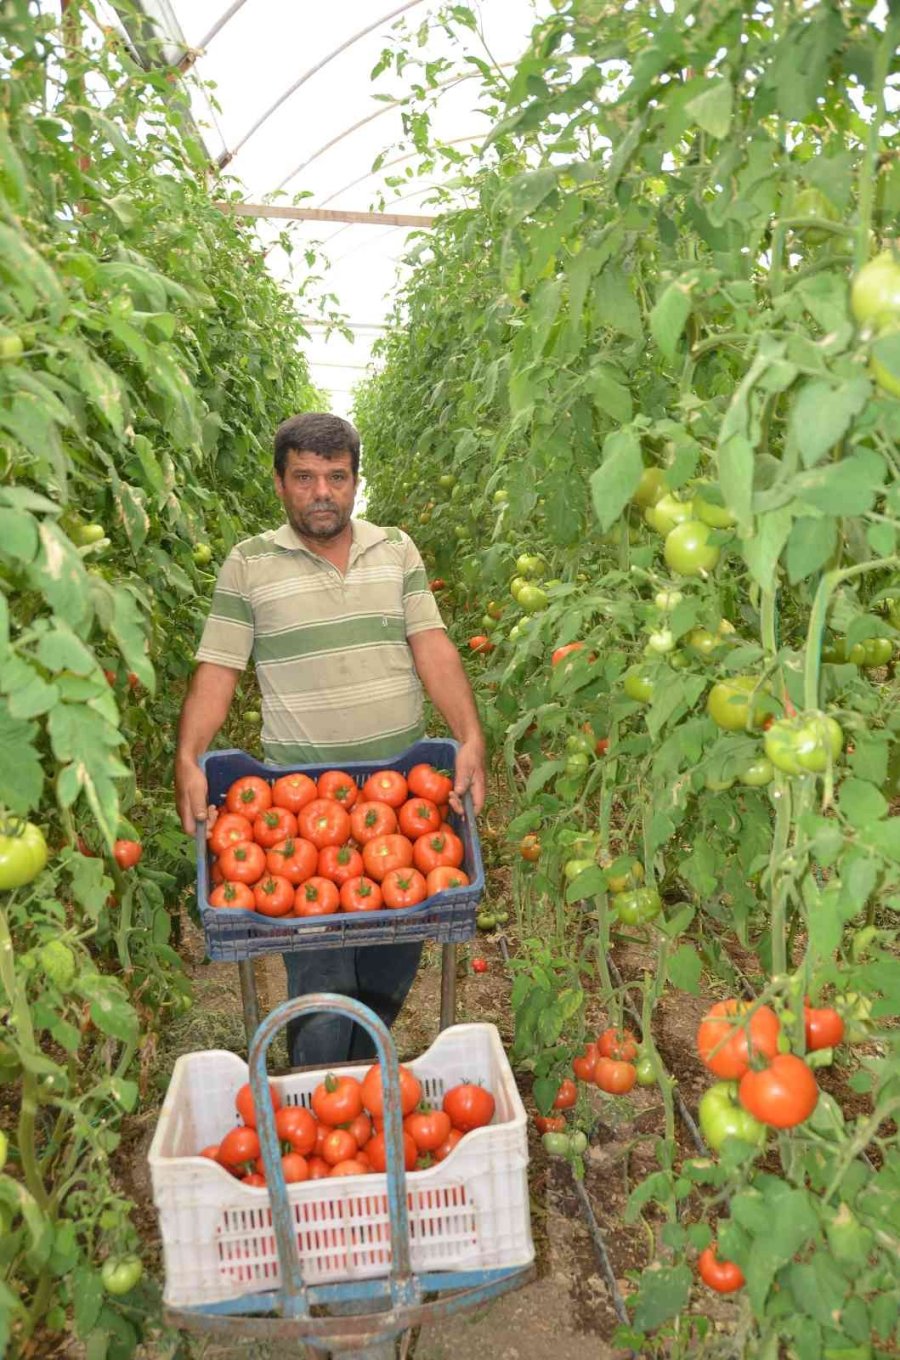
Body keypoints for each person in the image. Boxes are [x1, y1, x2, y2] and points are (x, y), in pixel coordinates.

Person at [174, 412, 486, 1066]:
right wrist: (187, 756)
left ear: (355, 481)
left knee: (390, 966)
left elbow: (432, 647)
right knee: (322, 981)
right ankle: (320, 1092)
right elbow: (219, 669)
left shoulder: (395, 548)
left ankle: (360, 1074)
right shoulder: (249, 564)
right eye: (305, 478)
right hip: (293, 806)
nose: (322, 492)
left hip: (402, 794)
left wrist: (469, 734)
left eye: (336, 478)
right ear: (281, 483)